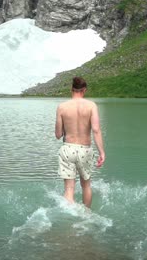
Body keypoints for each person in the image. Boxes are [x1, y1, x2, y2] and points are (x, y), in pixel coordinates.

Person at [54, 76, 105, 208]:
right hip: (85, 150)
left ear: (71, 89)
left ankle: (69, 217)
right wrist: (102, 152)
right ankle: (86, 216)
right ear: (84, 90)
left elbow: (58, 135)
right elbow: (96, 130)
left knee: (69, 189)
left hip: (68, 149)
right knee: (86, 185)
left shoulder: (62, 107)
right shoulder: (91, 106)